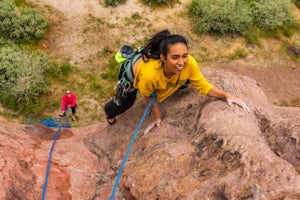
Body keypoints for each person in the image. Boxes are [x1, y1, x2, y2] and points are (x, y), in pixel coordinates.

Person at [105, 29, 249, 134]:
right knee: (125, 102)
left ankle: (174, 81)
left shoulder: (189, 64)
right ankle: (109, 113)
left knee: (184, 81)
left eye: (184, 55)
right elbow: (148, 95)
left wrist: (226, 95)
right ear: (163, 57)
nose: (181, 62)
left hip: (162, 74)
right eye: (175, 57)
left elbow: (203, 86)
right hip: (131, 73)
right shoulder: (150, 75)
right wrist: (157, 116)